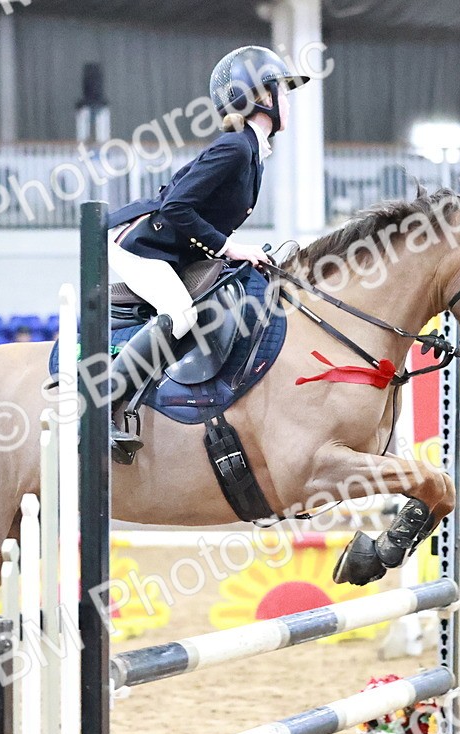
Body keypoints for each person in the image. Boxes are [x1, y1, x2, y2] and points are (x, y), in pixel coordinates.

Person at [103, 46, 310, 459]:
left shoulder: (252, 152)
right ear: (262, 97)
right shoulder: (236, 148)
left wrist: (238, 254)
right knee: (181, 314)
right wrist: (229, 247)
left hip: (175, 250)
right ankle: (102, 406)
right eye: (282, 91)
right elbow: (176, 207)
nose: (288, 100)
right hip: (142, 248)